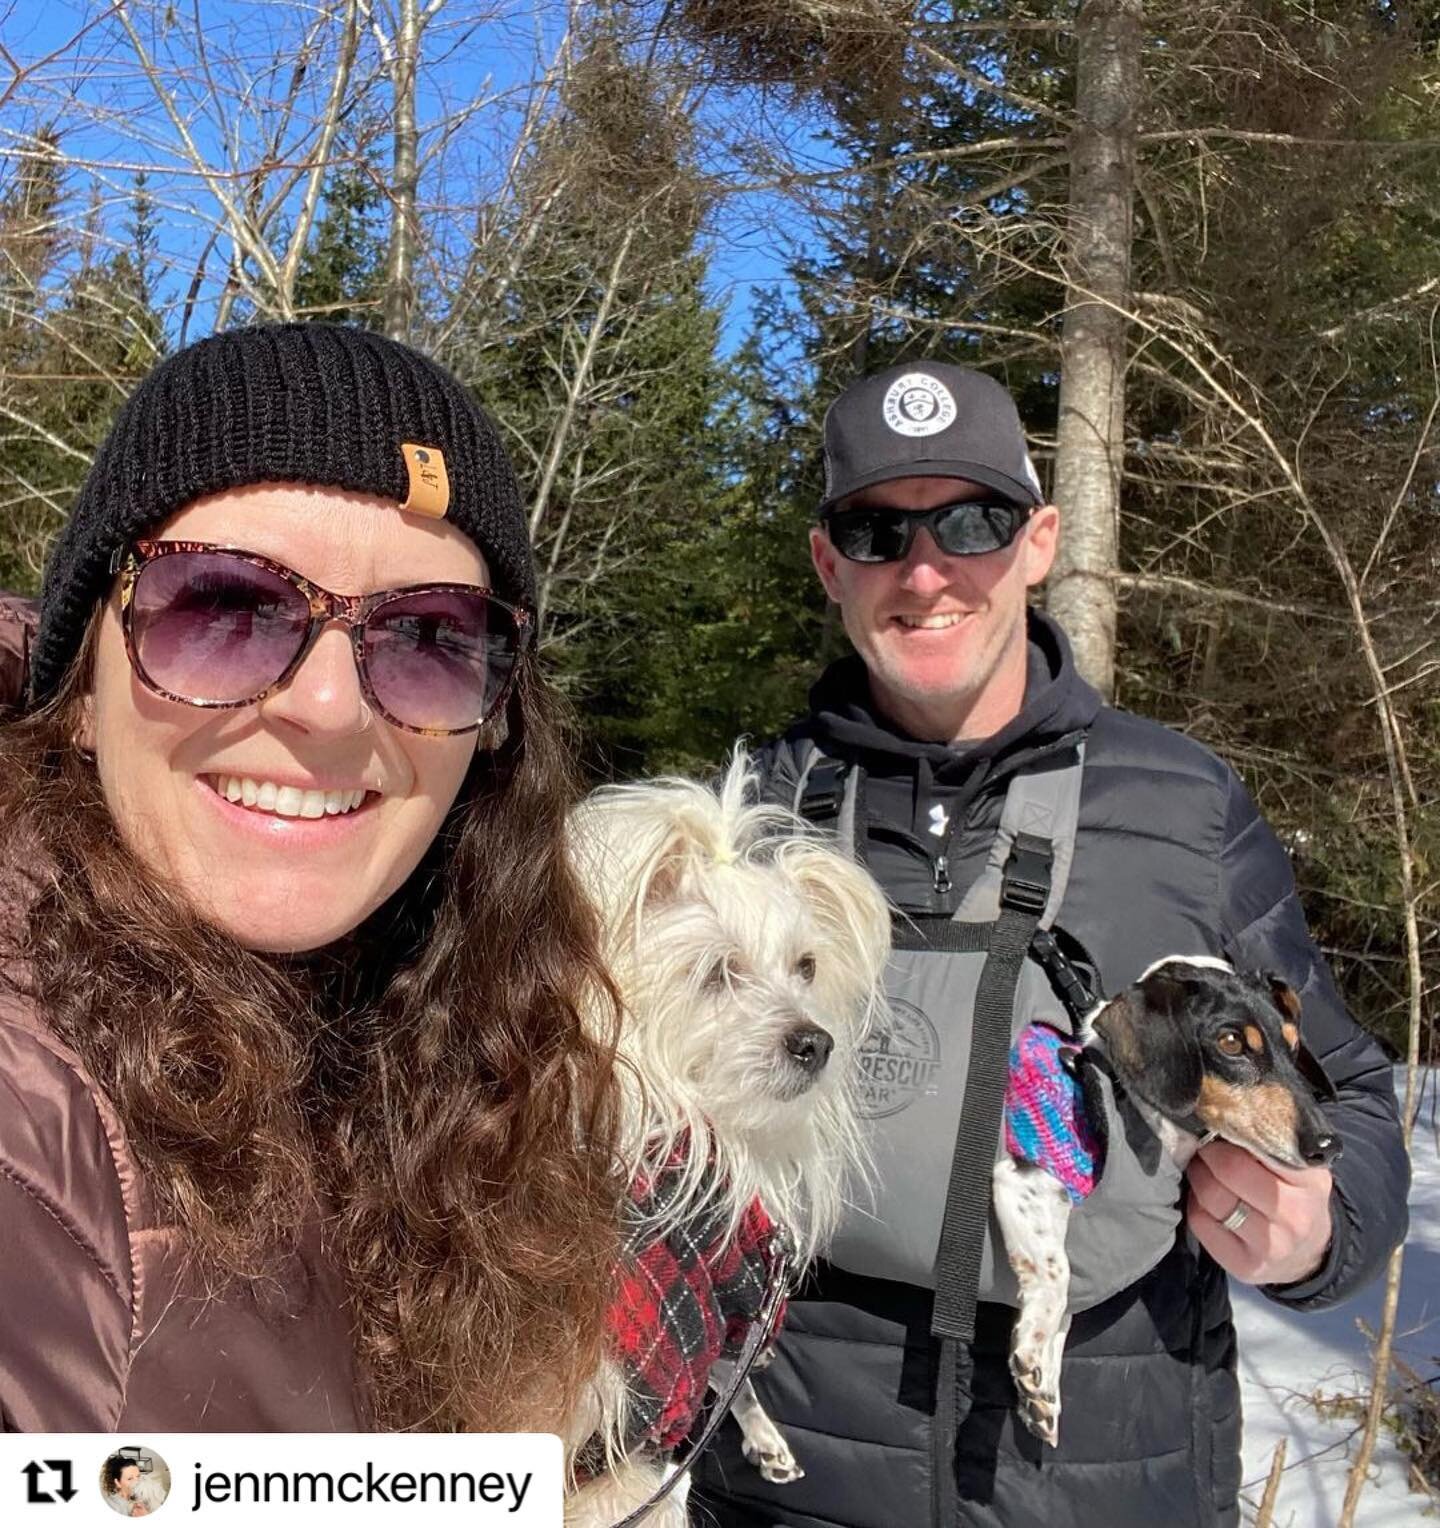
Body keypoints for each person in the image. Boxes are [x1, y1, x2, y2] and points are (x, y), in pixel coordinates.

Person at [692, 362, 1409, 1527]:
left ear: (1037, 541)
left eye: (970, 522)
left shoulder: (1183, 806)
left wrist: (1322, 1230)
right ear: (829, 565)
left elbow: (1358, 1090)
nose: (925, 571)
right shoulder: (751, 816)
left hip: (1111, 1489)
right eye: (878, 530)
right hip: (778, 1493)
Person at [0, 323, 622, 1433]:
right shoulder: (27, 1124)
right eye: (224, 607)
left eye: (429, 634)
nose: (328, 707)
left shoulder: (450, 1058)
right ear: (82, 685)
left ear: (494, 723)